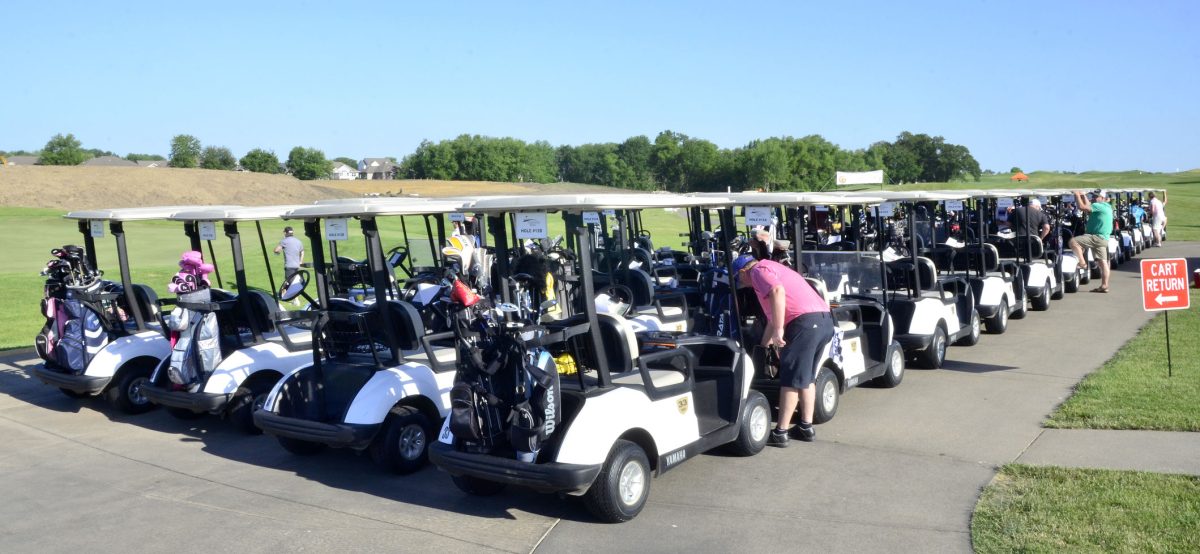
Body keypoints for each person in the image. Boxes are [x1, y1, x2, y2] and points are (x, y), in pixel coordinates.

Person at [733, 254, 834, 447]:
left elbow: (777, 292)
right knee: (806, 377)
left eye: (738, 278)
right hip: (823, 321)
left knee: (790, 380)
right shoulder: (774, 267)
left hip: (804, 323)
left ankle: (781, 432)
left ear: (743, 271)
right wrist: (763, 346)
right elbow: (773, 316)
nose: (741, 284)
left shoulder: (757, 271)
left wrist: (780, 331)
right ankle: (805, 426)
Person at [1068, 190, 1113, 293]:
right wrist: (1083, 195)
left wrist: (1077, 195)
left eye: (1096, 197)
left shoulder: (1099, 205)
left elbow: (1082, 207)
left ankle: (1083, 263)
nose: (1094, 198)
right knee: (1103, 263)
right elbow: (1088, 205)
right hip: (1103, 238)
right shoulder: (1106, 206)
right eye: (1093, 196)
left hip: (1096, 237)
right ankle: (1105, 285)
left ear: (1102, 198)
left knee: (1073, 242)